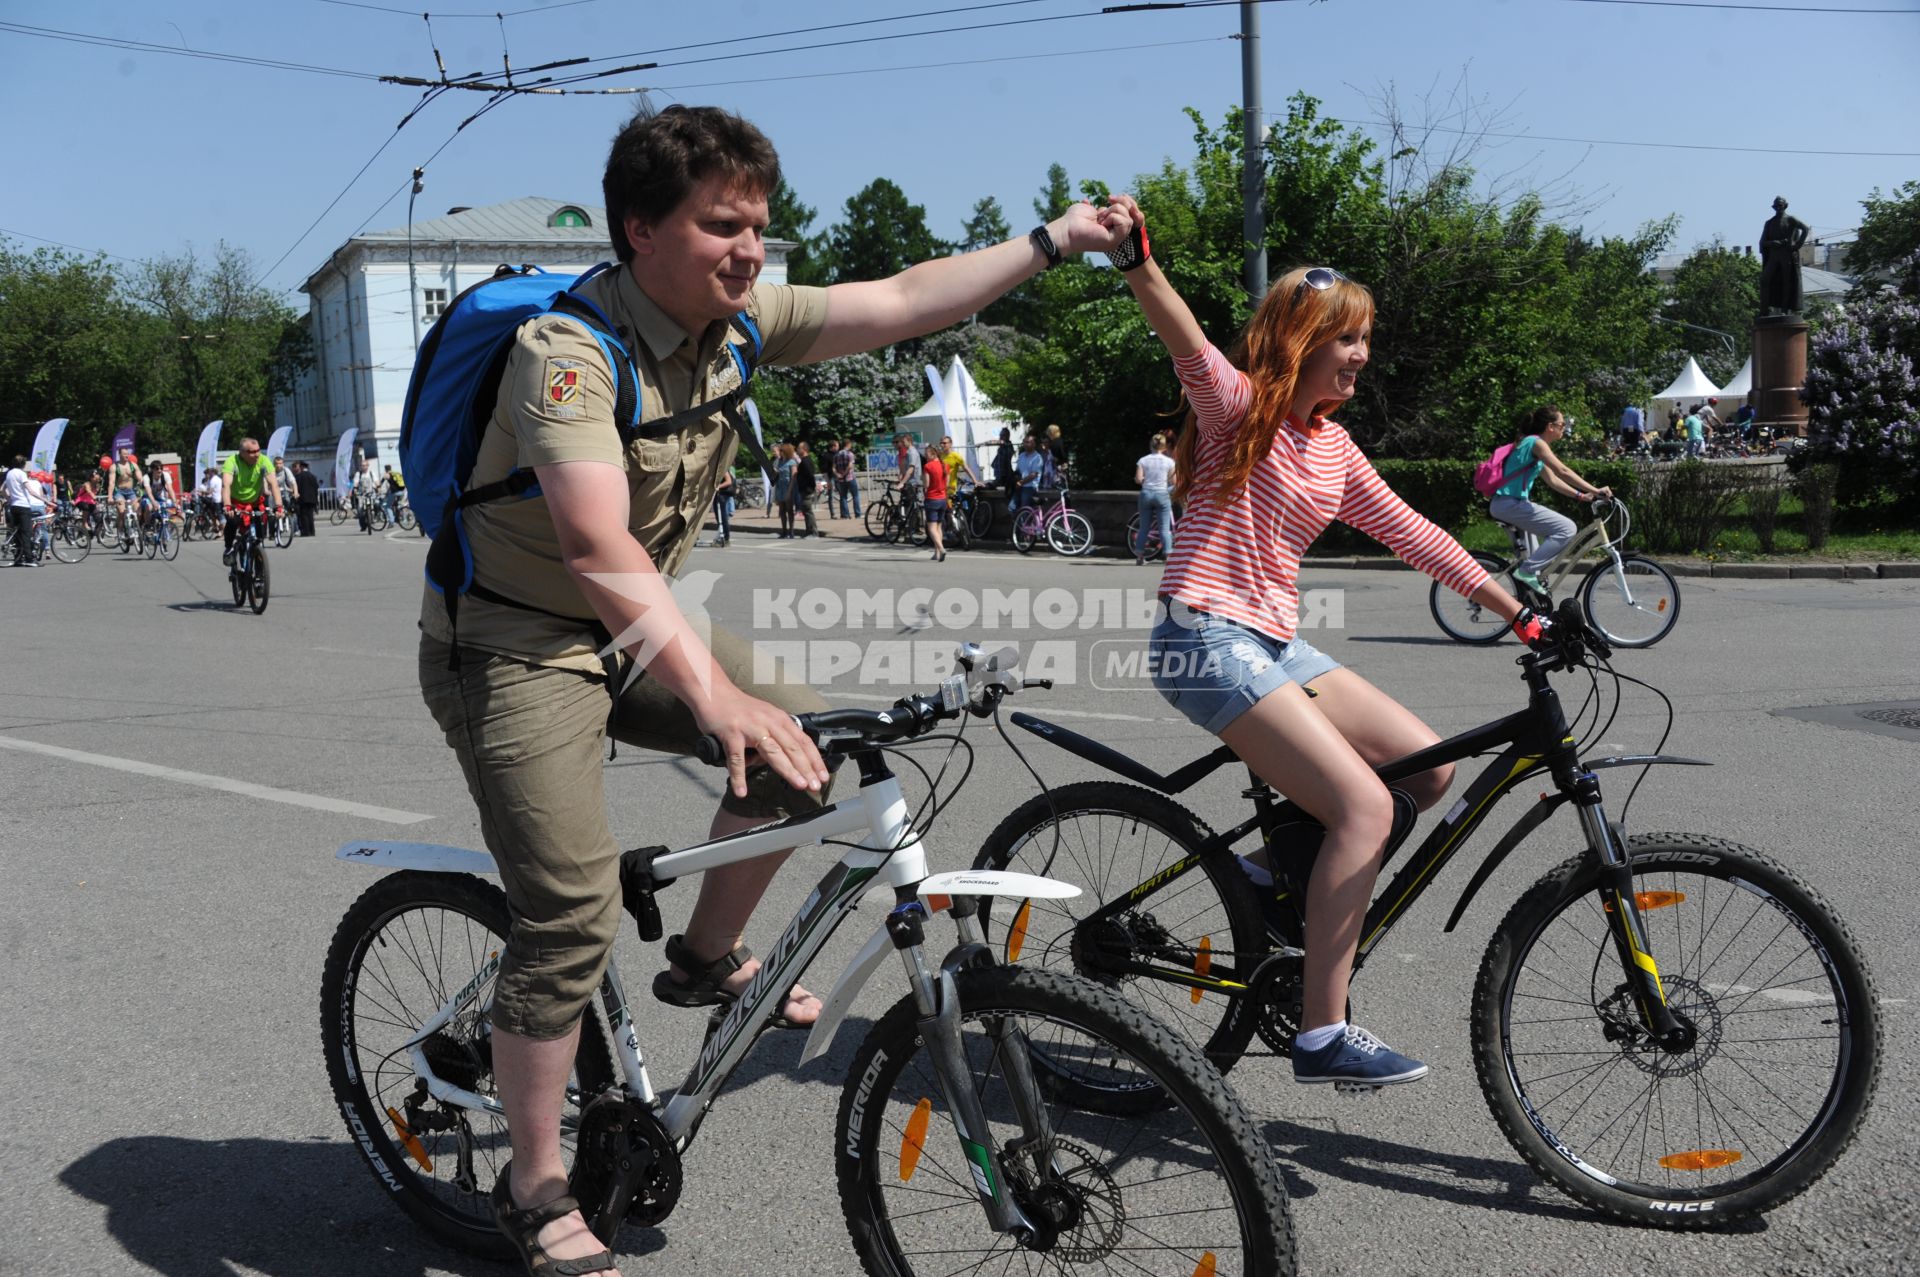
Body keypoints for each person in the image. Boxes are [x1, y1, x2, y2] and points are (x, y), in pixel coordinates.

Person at [411, 103, 1123, 1277]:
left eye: (759, 226)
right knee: (572, 910)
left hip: (635, 626)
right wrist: (717, 700)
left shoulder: (741, 323)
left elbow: (906, 297)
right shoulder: (568, 354)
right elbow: (598, 546)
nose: (749, 249)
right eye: (719, 225)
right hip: (515, 642)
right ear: (639, 228)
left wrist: (1052, 237)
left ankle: (701, 957)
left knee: (803, 757)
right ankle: (533, 1186)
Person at [1104, 191, 1545, 1088]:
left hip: (1273, 643)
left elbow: (1416, 532)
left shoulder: (1333, 449)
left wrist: (1521, 610)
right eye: (1347, 338)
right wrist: (1139, 261)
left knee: (1430, 769)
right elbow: (1185, 339)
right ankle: (1320, 1032)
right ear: (1299, 341)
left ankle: (1259, 875)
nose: (1361, 356)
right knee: (1365, 808)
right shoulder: (1239, 412)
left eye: (1365, 340)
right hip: (1203, 635)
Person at [1487, 406, 1615, 591]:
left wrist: (1581, 495)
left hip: (1510, 504)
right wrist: (1596, 491)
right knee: (1566, 528)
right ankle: (1526, 572)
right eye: (1562, 424)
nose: (1564, 428)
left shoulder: (1532, 444)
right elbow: (1562, 471)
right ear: (1550, 426)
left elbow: (1553, 480)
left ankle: (1528, 598)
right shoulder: (1536, 444)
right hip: (1510, 505)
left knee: (1534, 561)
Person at [221, 436, 285, 565]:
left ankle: (258, 565)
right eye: (252, 452)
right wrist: (227, 505)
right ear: (242, 453)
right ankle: (229, 548)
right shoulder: (232, 462)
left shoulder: (264, 461)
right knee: (232, 522)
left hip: (255, 502)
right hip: (236, 503)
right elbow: (226, 485)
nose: (256, 454)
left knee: (259, 536)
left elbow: (274, 485)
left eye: (258, 450)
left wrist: (279, 506)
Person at [1133, 432, 1176, 564]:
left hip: (1146, 494)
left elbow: (1138, 479)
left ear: (1150, 445)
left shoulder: (1143, 460)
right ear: (1164, 447)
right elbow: (1174, 481)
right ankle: (1168, 556)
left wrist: (1144, 479)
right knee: (1164, 528)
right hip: (1162, 494)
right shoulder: (1169, 461)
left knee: (1144, 527)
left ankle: (1140, 556)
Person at [107, 446, 145, 542]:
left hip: (131, 491)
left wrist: (143, 484)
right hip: (119, 491)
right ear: (119, 455)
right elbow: (111, 482)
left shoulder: (133, 465)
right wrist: (110, 496)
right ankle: (120, 532)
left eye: (127, 454)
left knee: (138, 510)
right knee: (121, 511)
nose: (126, 455)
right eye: (124, 454)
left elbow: (140, 478)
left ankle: (135, 528)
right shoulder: (114, 466)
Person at [7, 457, 40, 565]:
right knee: (26, 533)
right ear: (23, 464)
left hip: (14, 506)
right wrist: (46, 500)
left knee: (17, 533)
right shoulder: (21, 474)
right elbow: (30, 490)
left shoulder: (9, 473)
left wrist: (9, 499)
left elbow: (2, 490)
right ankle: (29, 559)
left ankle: (18, 558)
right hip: (23, 506)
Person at [922, 445, 949, 562]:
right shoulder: (945, 465)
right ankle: (936, 553)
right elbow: (947, 484)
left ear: (933, 454)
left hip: (932, 498)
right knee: (939, 527)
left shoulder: (928, 466)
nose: (925, 456)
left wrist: (924, 488)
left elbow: (927, 484)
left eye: (927, 454)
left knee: (931, 528)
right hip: (943, 498)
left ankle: (942, 549)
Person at [793, 440, 820, 537]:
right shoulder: (804, 461)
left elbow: (810, 476)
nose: (797, 449)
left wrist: (811, 487)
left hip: (806, 490)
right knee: (805, 511)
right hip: (804, 489)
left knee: (808, 511)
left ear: (804, 449)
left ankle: (813, 532)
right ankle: (808, 531)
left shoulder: (806, 461)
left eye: (799, 448)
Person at [1013, 433, 1044, 515]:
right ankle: (1019, 526)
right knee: (1011, 507)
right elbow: (1018, 470)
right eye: (1024, 442)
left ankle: (1024, 526)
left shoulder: (1037, 457)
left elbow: (1033, 475)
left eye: (1028, 442)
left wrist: (1021, 482)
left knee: (1024, 510)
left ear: (1034, 444)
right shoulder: (1021, 456)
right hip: (1019, 486)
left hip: (1029, 487)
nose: (1025, 444)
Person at [773, 441, 799, 538]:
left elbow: (793, 476)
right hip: (780, 485)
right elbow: (776, 474)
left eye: (782, 451)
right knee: (782, 510)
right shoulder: (779, 461)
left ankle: (791, 530)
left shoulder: (791, 462)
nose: (780, 452)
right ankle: (784, 531)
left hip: (788, 486)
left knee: (789, 509)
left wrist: (789, 491)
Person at [830, 438, 860, 519]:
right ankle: (857, 514)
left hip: (841, 479)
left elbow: (833, 468)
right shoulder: (850, 454)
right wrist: (844, 473)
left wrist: (838, 474)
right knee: (855, 496)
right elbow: (850, 466)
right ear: (848, 444)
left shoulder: (836, 455)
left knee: (843, 497)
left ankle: (846, 515)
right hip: (850, 478)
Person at [294, 462, 321, 537]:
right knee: (310, 515)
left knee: (304, 516)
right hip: (312, 499)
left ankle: (306, 532)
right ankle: (312, 531)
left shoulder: (299, 476)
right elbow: (316, 487)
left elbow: (297, 487)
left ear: (301, 467)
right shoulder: (313, 476)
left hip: (303, 499)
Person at [711, 468, 735, 546]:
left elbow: (728, 481)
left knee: (722, 517)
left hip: (722, 495)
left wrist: (718, 486)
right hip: (719, 495)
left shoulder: (722, 468)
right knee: (720, 517)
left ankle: (725, 538)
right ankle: (723, 537)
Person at [991, 427, 1014, 491]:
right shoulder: (1001, 446)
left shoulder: (1009, 445)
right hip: (999, 474)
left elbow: (1008, 455)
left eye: (1002, 435)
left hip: (1005, 475)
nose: (1000, 437)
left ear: (1007, 436)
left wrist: (1002, 443)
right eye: (1000, 435)